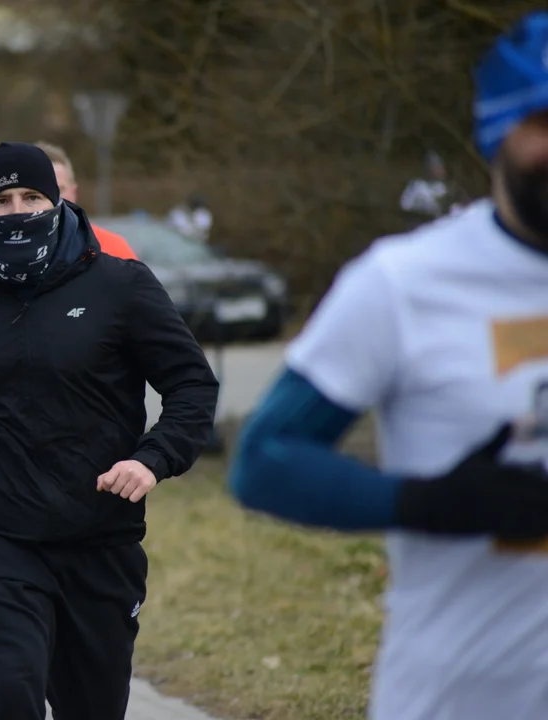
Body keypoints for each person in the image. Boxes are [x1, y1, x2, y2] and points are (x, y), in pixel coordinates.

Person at [228, 11, 548, 720]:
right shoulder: (404, 283)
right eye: (545, 122)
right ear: (498, 129)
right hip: (457, 699)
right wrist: (427, 504)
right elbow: (266, 459)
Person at [0, 142, 219, 719]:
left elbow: (192, 385)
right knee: (13, 696)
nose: (17, 212)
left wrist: (152, 460)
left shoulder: (121, 287)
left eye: (32, 196)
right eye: (2, 201)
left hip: (101, 543)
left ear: (58, 200)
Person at [34, 140, 139, 260]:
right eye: (38, 194)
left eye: (58, 190)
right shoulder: (11, 254)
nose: (50, 200)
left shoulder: (113, 249)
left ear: (74, 193)